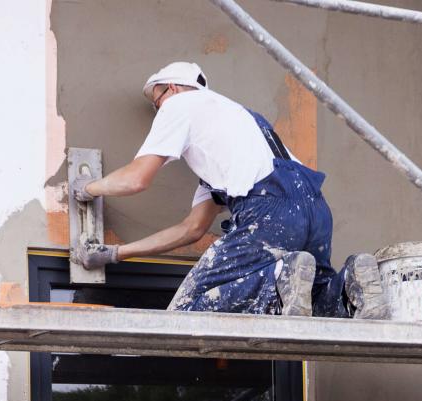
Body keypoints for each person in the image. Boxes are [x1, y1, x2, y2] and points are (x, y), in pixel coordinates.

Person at [70, 61, 388, 319]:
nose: (158, 110)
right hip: (315, 209)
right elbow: (192, 229)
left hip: (269, 209)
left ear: (175, 88)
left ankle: (280, 277)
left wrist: (87, 188)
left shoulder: (180, 105)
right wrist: (116, 253)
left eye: (157, 101)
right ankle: (350, 280)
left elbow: (137, 179)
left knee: (187, 314)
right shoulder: (239, 126)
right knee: (313, 301)